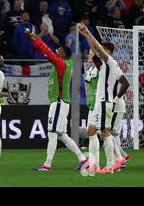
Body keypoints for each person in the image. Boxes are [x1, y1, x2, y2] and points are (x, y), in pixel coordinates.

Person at [25, 27, 87, 172]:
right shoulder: (63, 64)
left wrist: (35, 37)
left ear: (63, 54)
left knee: (52, 133)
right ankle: (83, 160)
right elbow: (44, 52)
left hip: (59, 103)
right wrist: (33, 38)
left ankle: (47, 164)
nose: (56, 51)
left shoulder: (61, 64)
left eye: (58, 50)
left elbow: (46, 51)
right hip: (61, 102)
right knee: (62, 135)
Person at [79, 23, 125, 174]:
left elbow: (98, 49)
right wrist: (86, 36)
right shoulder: (102, 66)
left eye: (104, 51)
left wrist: (89, 33)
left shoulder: (111, 63)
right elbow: (95, 51)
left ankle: (112, 165)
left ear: (108, 52)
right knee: (91, 130)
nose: (99, 53)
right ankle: (95, 164)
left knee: (105, 131)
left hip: (105, 101)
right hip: (99, 102)